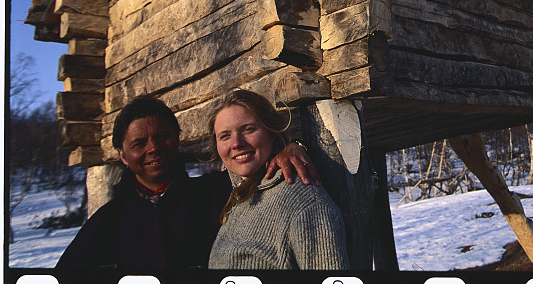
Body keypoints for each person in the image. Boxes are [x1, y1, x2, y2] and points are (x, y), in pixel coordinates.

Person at [56, 95, 319, 269]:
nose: (153, 148)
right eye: (138, 143)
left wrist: (289, 147)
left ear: (178, 138)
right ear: (122, 156)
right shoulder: (109, 220)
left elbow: (251, 161)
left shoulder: (218, 193)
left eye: (162, 136)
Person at [207, 89, 349, 270]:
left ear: (271, 132)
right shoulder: (241, 195)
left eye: (248, 129)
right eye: (225, 136)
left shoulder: (301, 200)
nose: (236, 143)